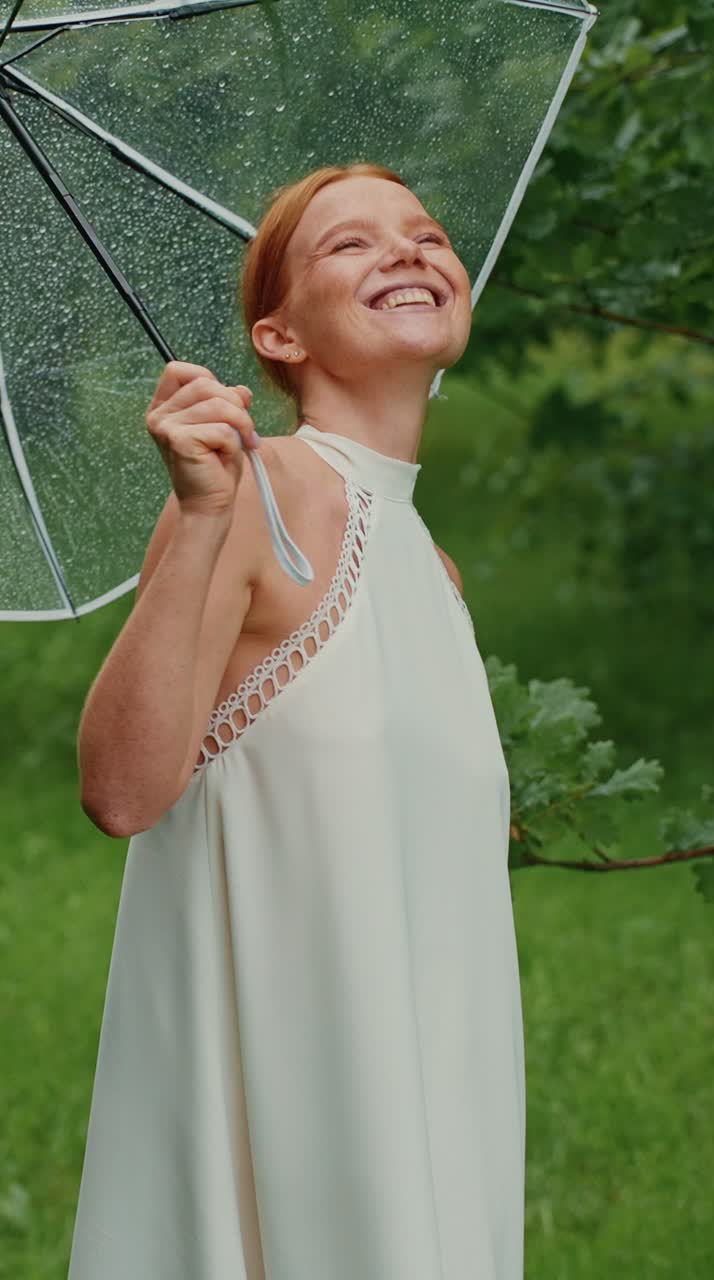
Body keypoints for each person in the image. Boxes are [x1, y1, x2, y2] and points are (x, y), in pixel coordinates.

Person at [69, 162, 526, 1279]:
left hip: (428, 1081)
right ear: (277, 337)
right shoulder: (251, 493)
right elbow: (122, 791)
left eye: (426, 233)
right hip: (303, 1088)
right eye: (351, 245)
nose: (410, 251)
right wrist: (203, 514)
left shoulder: (434, 567)